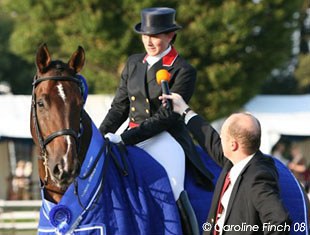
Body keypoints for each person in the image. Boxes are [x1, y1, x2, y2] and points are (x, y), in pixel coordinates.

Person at [99, 7, 213, 234]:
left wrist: (124, 138)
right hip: (128, 136)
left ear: (170, 36)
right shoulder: (133, 63)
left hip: (165, 138)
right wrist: (99, 135)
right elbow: (120, 107)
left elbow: (167, 116)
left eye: (156, 36)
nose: (149, 41)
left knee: (173, 187)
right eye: (145, 35)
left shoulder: (183, 69)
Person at [160, 93, 291, 235]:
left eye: (223, 136)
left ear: (233, 145)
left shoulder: (258, 176)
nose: (220, 138)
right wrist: (184, 110)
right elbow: (211, 140)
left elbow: (279, 221)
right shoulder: (237, 160)